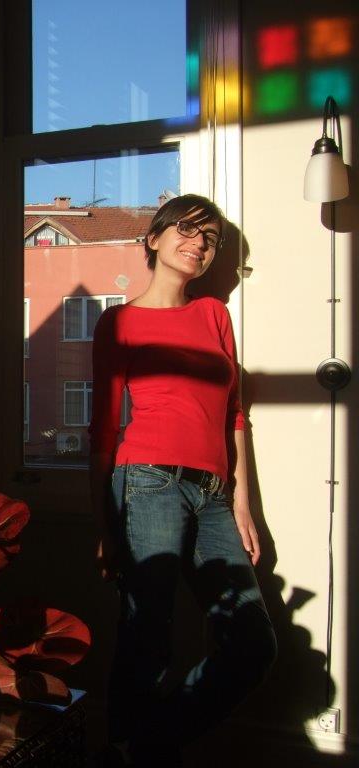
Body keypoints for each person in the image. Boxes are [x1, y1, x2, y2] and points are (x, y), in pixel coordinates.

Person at [89, 194, 277, 766]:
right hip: (146, 482)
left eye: (210, 239)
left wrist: (242, 502)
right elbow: (103, 429)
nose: (199, 244)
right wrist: (105, 524)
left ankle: (139, 747)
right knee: (147, 636)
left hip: (213, 494)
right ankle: (131, 747)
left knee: (252, 643)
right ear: (154, 238)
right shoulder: (119, 322)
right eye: (188, 231)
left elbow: (235, 414)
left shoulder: (214, 314)